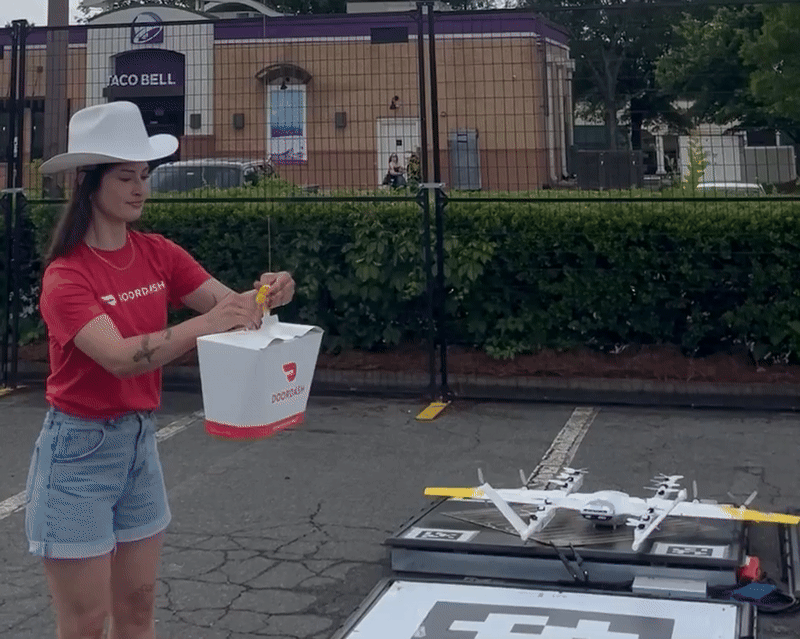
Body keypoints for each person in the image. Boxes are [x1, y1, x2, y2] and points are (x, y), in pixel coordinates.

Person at [25, 100, 295, 639]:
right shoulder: (66, 278)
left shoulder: (158, 253)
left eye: (144, 175)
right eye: (125, 176)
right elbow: (121, 357)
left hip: (139, 446)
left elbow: (234, 310)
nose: (139, 187)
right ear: (88, 183)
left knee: (138, 614)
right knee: (84, 622)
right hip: (77, 455)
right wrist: (212, 321)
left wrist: (267, 294)